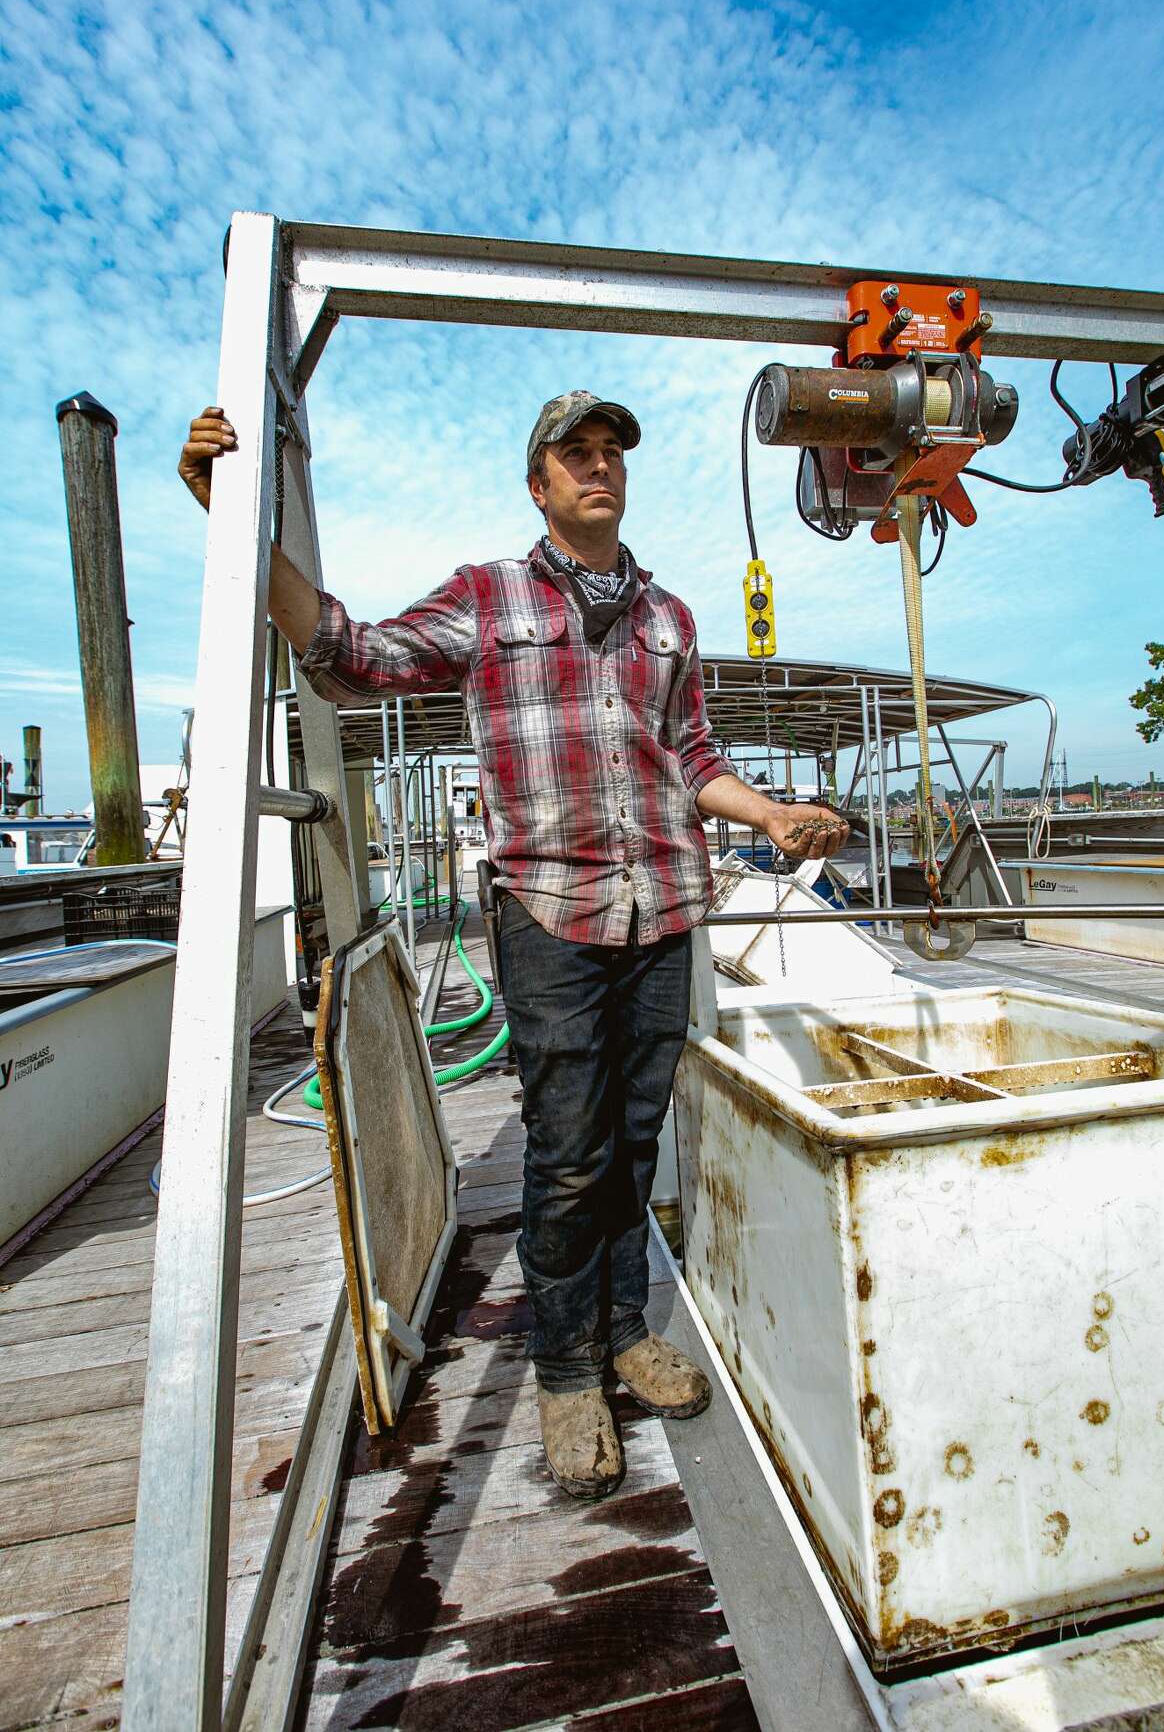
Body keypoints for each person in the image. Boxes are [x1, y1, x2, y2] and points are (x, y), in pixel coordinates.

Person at [179, 391, 849, 1499]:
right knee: (568, 1144)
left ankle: (625, 1328)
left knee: (637, 1138)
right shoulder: (487, 597)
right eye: (574, 455)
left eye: (610, 454)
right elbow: (353, 653)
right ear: (538, 485)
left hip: (664, 906)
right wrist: (239, 527)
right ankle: (567, 1367)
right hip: (548, 913)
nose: (598, 468)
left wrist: (770, 816)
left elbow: (691, 756)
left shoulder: (669, 616)